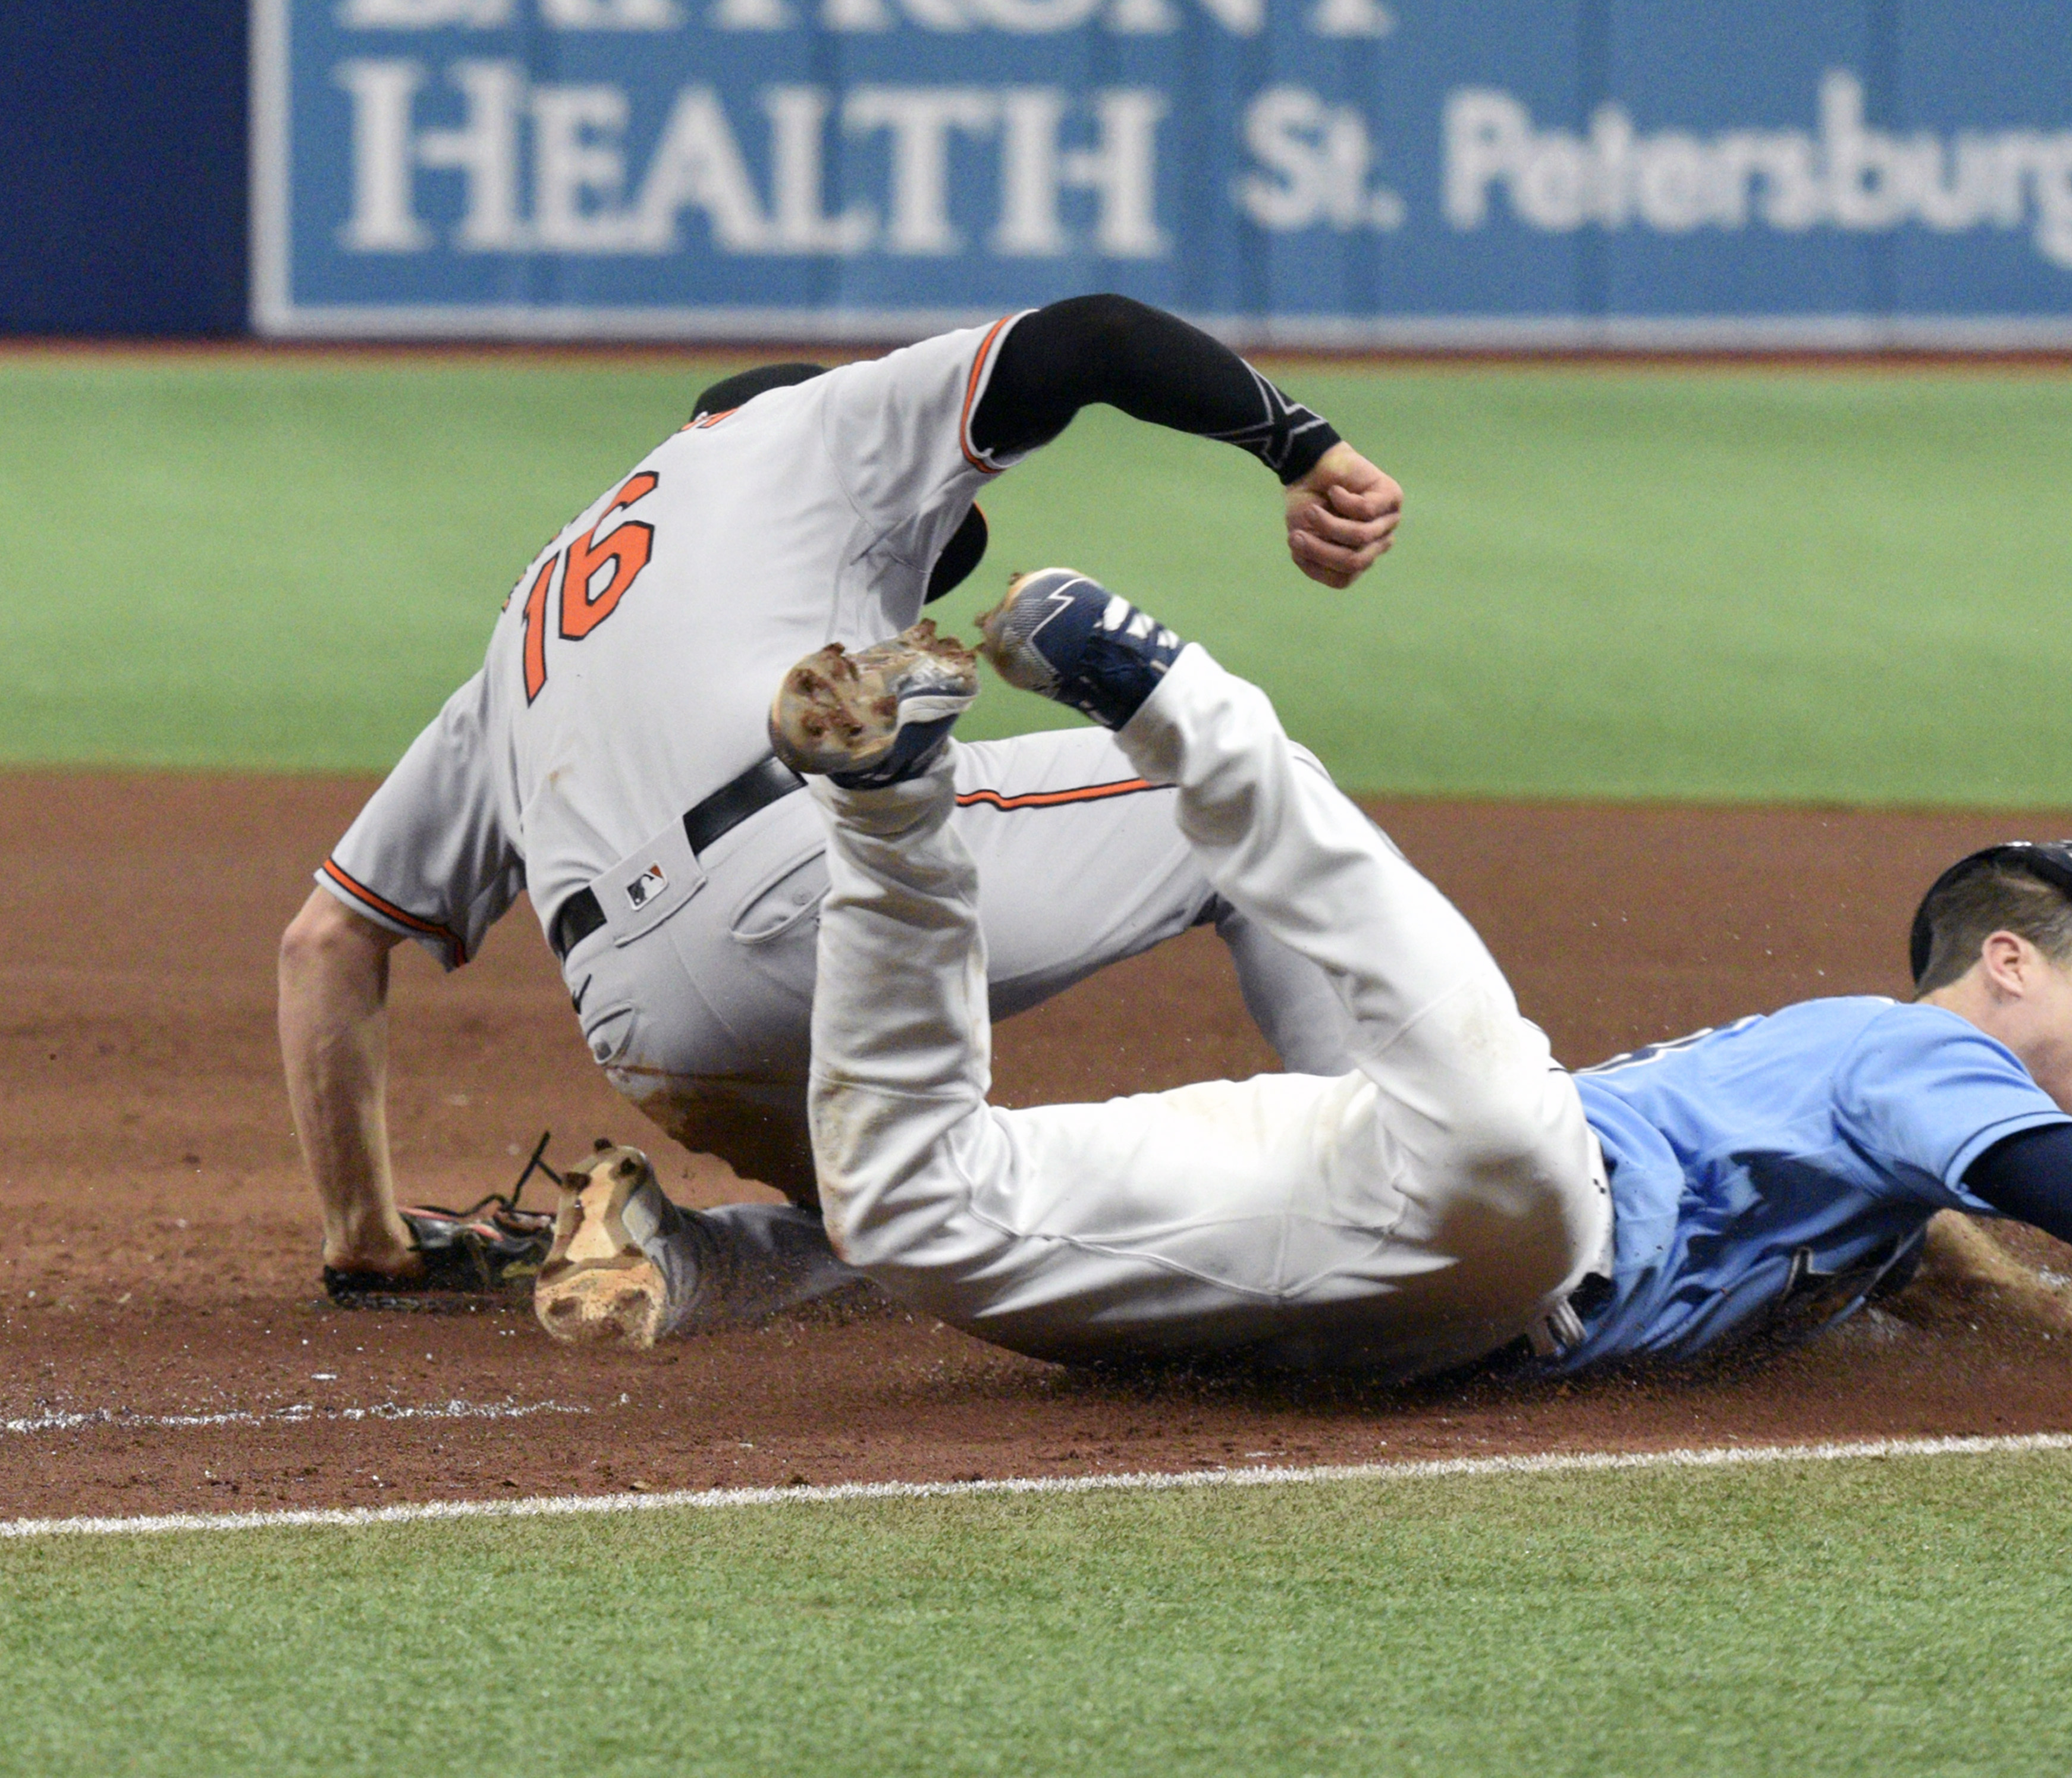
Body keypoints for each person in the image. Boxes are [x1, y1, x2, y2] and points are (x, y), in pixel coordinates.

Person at [540, 567, 2072, 1393]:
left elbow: (1955, 1260)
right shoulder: (1918, 1054)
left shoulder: (1870, 1128)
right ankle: (1165, 685)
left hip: (1390, 1282)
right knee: (1391, 954)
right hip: (1517, 1198)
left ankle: (895, 803)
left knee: (923, 1200)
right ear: (2009, 966)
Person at [278, 297, 1402, 1336]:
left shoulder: (531, 625)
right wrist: (1304, 450)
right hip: (793, 879)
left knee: (912, 1205)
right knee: (1241, 779)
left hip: (642, 1026)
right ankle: (1410, 1180)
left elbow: (326, 941)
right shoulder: (803, 426)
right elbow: (1092, 337)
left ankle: (678, 1258)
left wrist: (367, 1240)